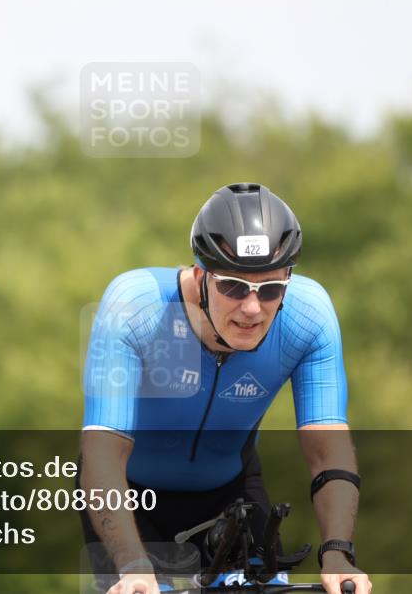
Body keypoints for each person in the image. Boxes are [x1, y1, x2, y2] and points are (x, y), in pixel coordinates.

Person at [78, 183, 372, 594]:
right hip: (128, 496)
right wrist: (132, 564)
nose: (252, 308)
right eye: (233, 286)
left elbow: (328, 452)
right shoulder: (135, 307)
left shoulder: (310, 317)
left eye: (270, 290)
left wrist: (339, 553)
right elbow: (102, 454)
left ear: (288, 282)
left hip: (230, 496)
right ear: (201, 277)